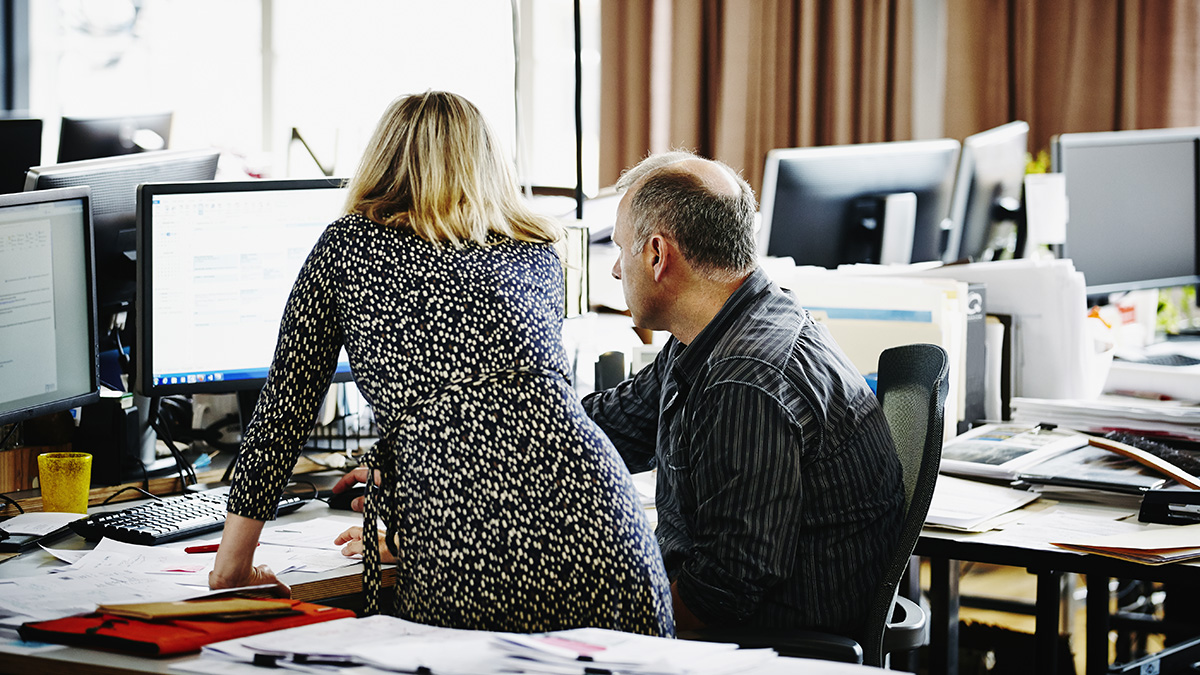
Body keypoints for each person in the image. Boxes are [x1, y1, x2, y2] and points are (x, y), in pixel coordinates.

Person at [209, 91, 673, 637]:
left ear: (384, 160)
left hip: (465, 531)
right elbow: (505, 415)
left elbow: (282, 416)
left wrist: (232, 567)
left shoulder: (347, 248)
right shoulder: (537, 248)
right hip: (600, 513)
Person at [581, 150, 904, 639]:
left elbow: (723, 593)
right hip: (735, 618)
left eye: (620, 250)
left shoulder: (747, 379)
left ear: (655, 254)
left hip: (768, 648)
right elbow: (611, 428)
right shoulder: (717, 329)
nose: (615, 272)